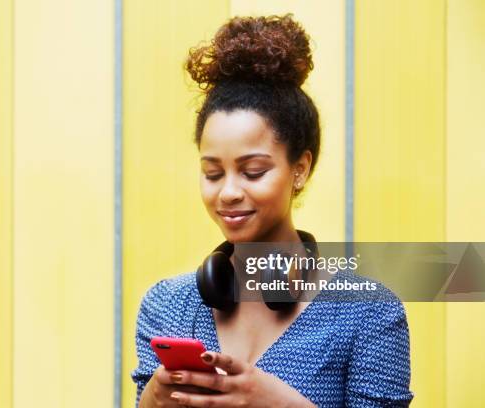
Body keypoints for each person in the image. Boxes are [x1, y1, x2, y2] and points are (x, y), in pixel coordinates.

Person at [132, 14, 413, 407]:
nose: (228, 192)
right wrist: (150, 402)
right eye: (212, 173)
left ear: (300, 168)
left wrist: (276, 401)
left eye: (253, 171)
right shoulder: (167, 305)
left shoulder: (369, 313)